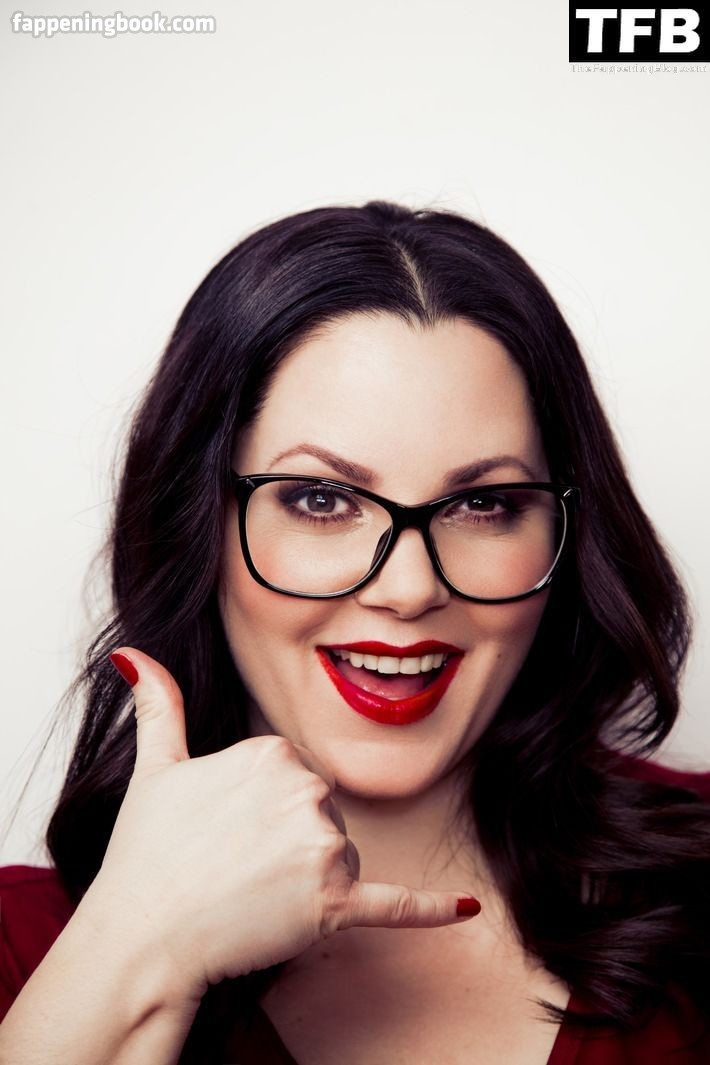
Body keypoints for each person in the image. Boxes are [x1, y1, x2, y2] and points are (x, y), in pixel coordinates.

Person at [0, 200, 708, 1064]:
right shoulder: (25, 954)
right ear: (197, 523)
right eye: (320, 499)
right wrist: (139, 944)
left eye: (483, 503)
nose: (408, 590)